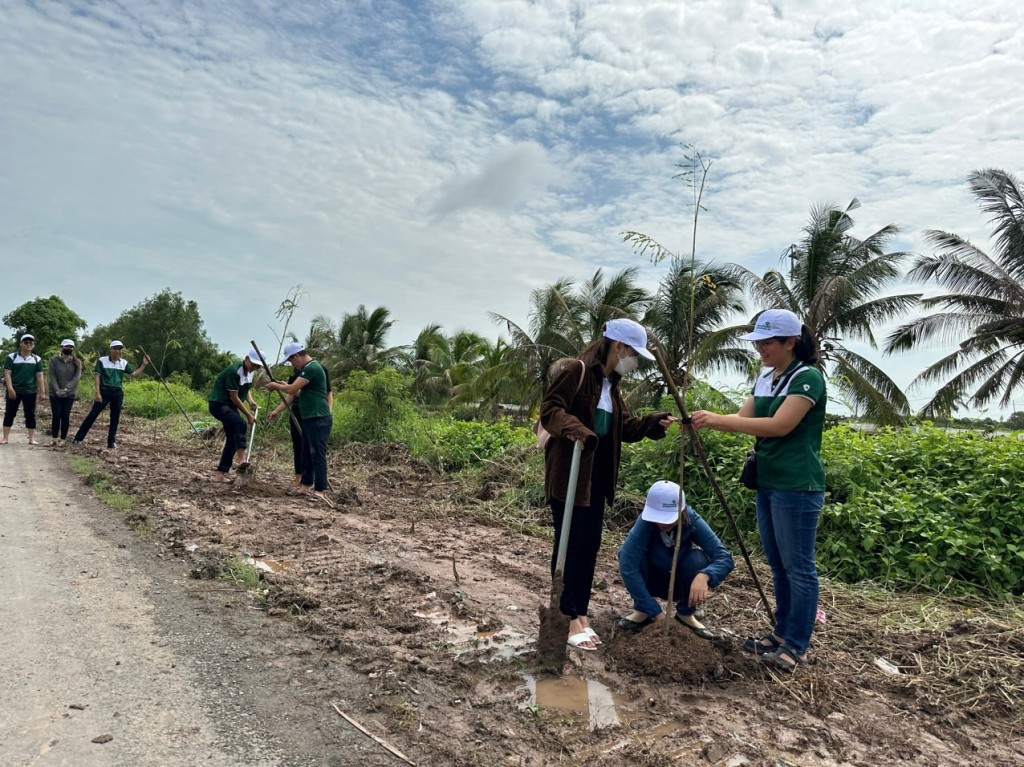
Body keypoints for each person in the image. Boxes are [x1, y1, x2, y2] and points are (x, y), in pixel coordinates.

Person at [691, 309, 825, 672]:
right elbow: (744, 418)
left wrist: (717, 420)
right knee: (779, 565)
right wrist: (707, 420)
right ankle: (780, 634)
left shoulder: (807, 378)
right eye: (759, 343)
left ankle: (797, 645)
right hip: (769, 482)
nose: (761, 349)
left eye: (767, 343)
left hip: (797, 485)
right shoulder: (768, 378)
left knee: (799, 568)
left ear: (790, 343)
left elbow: (779, 425)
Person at [539, 318, 676, 651]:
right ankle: (566, 614)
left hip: (597, 475)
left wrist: (652, 423)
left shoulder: (611, 384)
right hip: (570, 472)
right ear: (619, 346)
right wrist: (576, 429)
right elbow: (550, 410)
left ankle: (580, 612)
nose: (635, 361)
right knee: (569, 543)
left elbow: (623, 426)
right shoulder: (577, 370)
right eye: (633, 353)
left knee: (588, 545)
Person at [617, 480, 734, 638]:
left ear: (682, 511)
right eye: (658, 517)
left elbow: (724, 557)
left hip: (680, 582)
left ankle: (685, 614)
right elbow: (627, 564)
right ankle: (643, 611)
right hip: (652, 579)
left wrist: (705, 575)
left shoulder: (691, 520)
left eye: (668, 517)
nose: (662, 523)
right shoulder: (645, 523)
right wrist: (656, 613)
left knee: (698, 560)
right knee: (635, 558)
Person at [265, 343, 333, 501]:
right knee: (306, 452)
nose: (292, 364)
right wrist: (284, 386)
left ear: (296, 356)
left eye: (291, 361)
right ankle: (305, 486)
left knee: (317, 453)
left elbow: (292, 390)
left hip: (318, 417)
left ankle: (320, 490)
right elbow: (299, 391)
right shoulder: (307, 369)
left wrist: (276, 386)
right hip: (309, 416)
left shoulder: (312, 368)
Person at [72, 340, 150, 449]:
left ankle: (111, 442)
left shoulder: (123, 363)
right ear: (110, 349)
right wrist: (97, 392)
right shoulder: (102, 361)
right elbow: (97, 376)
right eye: (115, 348)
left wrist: (144, 365)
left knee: (115, 417)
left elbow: (135, 375)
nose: (117, 351)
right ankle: (78, 438)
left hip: (117, 392)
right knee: (93, 414)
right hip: (104, 391)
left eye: (119, 349)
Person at [207, 350, 262, 482]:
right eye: (253, 364)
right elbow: (234, 397)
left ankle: (220, 474)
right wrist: (248, 415)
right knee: (240, 423)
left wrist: (250, 402)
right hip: (219, 404)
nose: (255, 368)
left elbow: (246, 389)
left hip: (229, 406)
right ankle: (241, 459)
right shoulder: (234, 371)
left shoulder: (250, 372)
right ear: (247, 358)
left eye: (258, 366)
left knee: (232, 438)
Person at [3, 333, 45, 445]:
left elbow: (40, 376)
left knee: (30, 414)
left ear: (33, 345)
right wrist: (10, 389)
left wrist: (42, 392)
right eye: (26, 342)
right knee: (10, 413)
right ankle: (5, 438)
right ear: (21, 344)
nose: (28, 344)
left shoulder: (36, 359)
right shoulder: (12, 357)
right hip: (14, 390)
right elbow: (7, 373)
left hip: (30, 391)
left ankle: (31, 439)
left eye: (31, 342)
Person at [48, 339, 82, 445]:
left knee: (65, 415)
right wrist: (57, 390)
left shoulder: (77, 362)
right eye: (66, 346)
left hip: (70, 394)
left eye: (71, 347)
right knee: (56, 415)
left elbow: (76, 378)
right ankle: (54, 438)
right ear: (62, 347)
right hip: (54, 393)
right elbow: (52, 376)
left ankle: (63, 439)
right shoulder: (54, 360)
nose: (69, 348)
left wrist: (66, 390)